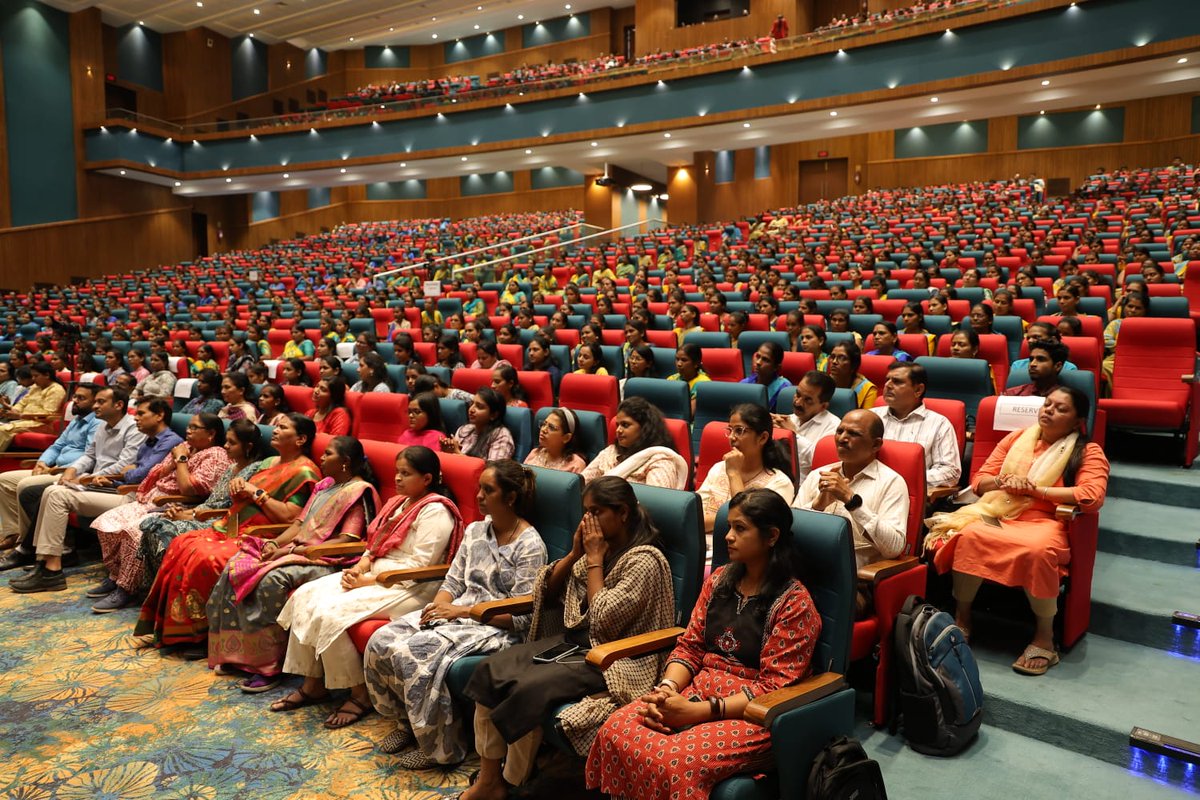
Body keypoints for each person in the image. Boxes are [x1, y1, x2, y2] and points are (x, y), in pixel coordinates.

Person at [586, 489, 820, 800]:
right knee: (617, 728)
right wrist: (668, 690)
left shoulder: (794, 603)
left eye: (740, 528)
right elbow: (690, 647)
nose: (727, 537)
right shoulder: (719, 580)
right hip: (697, 688)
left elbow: (774, 688)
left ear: (772, 536)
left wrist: (695, 712)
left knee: (673, 762)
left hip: (752, 712)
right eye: (728, 527)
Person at [460, 476, 675, 797]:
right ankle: (489, 779)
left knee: (528, 691)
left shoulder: (644, 560)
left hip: (617, 658)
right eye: (585, 512)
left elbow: (603, 620)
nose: (588, 522)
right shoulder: (599, 548)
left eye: (596, 512)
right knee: (490, 670)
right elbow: (545, 594)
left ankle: (510, 783)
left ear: (624, 514)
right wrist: (575, 554)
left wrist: (594, 560)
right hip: (575, 645)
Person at [364, 460, 548, 768]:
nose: (478, 496)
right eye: (479, 488)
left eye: (488, 490)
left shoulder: (530, 544)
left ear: (511, 497)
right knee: (381, 641)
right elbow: (454, 580)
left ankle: (440, 747)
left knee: (414, 651)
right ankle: (407, 723)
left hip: (493, 627)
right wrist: (437, 607)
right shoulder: (477, 530)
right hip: (457, 614)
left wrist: (460, 612)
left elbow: (523, 616)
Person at [271, 445, 465, 729]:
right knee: (305, 596)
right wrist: (360, 567)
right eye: (397, 472)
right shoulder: (399, 503)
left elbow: (420, 566)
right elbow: (374, 545)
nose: (397, 479)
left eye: (406, 474)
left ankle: (359, 693)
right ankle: (313, 684)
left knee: (331, 613)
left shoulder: (436, 511)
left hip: (411, 587)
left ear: (427, 479)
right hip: (377, 576)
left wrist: (368, 579)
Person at [929, 387, 1109, 676]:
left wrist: (1038, 490)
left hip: (1045, 521)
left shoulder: (1087, 451)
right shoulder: (1016, 438)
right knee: (969, 535)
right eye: (1047, 404)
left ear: (1078, 422)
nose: (1049, 410)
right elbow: (979, 482)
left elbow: (1091, 495)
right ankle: (963, 617)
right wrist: (1002, 482)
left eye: (1060, 408)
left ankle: (1044, 638)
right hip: (998, 513)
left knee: (1037, 550)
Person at [208, 435, 380, 691]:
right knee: (239, 563)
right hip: (299, 549)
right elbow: (299, 525)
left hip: (329, 559)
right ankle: (238, 655)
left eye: (328, 454)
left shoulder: (357, 491)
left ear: (345, 462)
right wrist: (276, 544)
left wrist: (295, 551)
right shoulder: (324, 486)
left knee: (271, 579)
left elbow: (348, 540)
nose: (321, 457)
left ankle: (269, 667)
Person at [134, 414, 321, 648]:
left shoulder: (305, 471)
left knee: (205, 557)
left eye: (283, 427)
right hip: (232, 525)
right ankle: (169, 628)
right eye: (277, 425)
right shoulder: (268, 463)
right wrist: (238, 487)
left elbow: (291, 516)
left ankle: (199, 636)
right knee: (181, 543)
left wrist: (254, 492)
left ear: (301, 439)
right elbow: (238, 495)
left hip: (263, 535)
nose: (275, 430)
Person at [13, 393, 180, 594]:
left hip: (138, 498)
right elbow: (132, 470)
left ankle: (52, 572)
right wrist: (113, 478)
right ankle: (45, 562)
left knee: (58, 495)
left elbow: (140, 474)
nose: (136, 417)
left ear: (159, 415)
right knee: (51, 491)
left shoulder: (170, 441)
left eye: (141, 413)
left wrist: (125, 475)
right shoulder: (149, 441)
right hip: (122, 488)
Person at [88, 412, 231, 612]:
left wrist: (180, 460)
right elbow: (157, 471)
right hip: (152, 500)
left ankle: (127, 589)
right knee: (106, 523)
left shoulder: (215, 455)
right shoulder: (187, 447)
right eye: (188, 426)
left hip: (177, 505)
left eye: (194, 428)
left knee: (134, 532)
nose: (188, 431)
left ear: (211, 434)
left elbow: (190, 490)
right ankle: (116, 575)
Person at [792, 409, 908, 603]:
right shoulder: (818, 475)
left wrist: (851, 501)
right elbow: (790, 528)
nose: (842, 439)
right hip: (805, 569)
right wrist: (818, 506)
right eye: (840, 431)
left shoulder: (892, 482)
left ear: (876, 444)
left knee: (802, 602)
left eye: (853, 434)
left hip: (855, 582)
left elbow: (894, 548)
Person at [136, 420, 266, 590]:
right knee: (153, 527)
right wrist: (185, 512)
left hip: (222, 522)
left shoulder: (255, 470)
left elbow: (231, 509)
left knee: (162, 530)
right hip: (205, 513)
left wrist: (192, 515)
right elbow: (211, 502)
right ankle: (158, 590)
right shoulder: (232, 467)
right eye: (226, 441)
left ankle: (173, 589)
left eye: (232, 443)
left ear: (248, 446)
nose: (225, 446)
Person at [0, 383, 99, 556]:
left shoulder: (97, 423)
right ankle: (13, 533)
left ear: (94, 402)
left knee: (26, 485)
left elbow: (90, 456)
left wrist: (55, 469)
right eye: (75, 396)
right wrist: (42, 462)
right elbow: (56, 445)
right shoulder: (77, 421)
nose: (74, 401)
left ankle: (30, 543)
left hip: (72, 473)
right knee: (4, 480)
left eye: (81, 398)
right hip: (53, 469)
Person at [698, 404, 794, 537]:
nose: (731, 437)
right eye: (730, 430)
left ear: (763, 438)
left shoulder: (779, 483)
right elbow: (695, 519)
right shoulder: (718, 468)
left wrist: (734, 474)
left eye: (739, 431)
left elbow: (746, 525)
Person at [871, 362, 961, 491]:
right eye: (887, 380)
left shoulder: (939, 424)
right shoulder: (871, 417)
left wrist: (900, 480)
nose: (887, 385)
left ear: (918, 390)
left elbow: (950, 473)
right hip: (867, 489)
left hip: (911, 494)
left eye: (897, 382)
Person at [581, 397, 687, 490]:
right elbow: (580, 484)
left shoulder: (660, 461)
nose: (618, 430)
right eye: (617, 425)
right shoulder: (610, 452)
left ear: (645, 428)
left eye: (625, 425)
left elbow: (656, 505)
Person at [771, 370, 840, 481]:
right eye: (797, 394)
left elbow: (820, 462)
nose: (797, 402)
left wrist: (794, 435)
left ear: (823, 406)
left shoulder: (835, 427)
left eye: (808, 400)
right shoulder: (788, 420)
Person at [0, 362, 67, 453]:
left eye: (36, 376)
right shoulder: (35, 387)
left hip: (42, 424)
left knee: (2, 430)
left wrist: (20, 415)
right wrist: (12, 412)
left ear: (47, 375)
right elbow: (22, 403)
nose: (33, 379)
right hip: (25, 421)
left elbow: (47, 415)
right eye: (32, 376)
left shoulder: (56, 390)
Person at [441, 388, 515, 461]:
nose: (471, 410)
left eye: (479, 407)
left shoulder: (501, 435)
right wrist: (448, 452)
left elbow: (494, 470)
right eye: (472, 403)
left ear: (493, 415)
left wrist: (458, 454)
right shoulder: (465, 429)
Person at [524, 407, 587, 473]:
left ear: (566, 438)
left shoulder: (576, 465)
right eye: (544, 424)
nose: (543, 430)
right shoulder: (534, 453)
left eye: (551, 427)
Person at [1102, 291, 1146, 383]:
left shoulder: (1148, 326)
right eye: (1130, 306)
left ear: (1144, 310)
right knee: (1104, 366)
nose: (1133, 310)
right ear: (1124, 307)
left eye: (1138, 308)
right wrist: (1126, 348)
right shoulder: (1116, 323)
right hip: (1116, 359)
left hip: (1142, 359)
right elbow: (1106, 340)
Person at [1003, 340, 1068, 397]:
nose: (1032, 364)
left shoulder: (1068, 399)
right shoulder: (1012, 395)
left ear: (1058, 366)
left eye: (1041, 359)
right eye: (1031, 359)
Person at [740, 342, 792, 410]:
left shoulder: (784, 389)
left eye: (765, 360)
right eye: (758, 356)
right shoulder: (745, 383)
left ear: (776, 367)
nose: (758, 362)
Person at [826, 341, 877, 409]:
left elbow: (867, 418)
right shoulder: (823, 383)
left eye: (842, 358)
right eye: (832, 357)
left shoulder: (868, 390)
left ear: (854, 364)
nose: (834, 361)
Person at [667, 343, 711, 417]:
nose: (679, 364)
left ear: (696, 363)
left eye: (684, 360)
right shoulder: (671, 379)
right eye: (677, 359)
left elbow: (688, 415)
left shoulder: (703, 384)